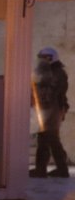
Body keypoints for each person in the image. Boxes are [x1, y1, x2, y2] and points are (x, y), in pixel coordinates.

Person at [31, 46, 70, 178]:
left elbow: (49, 93)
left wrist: (36, 87)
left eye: (44, 58)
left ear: (50, 58)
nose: (41, 61)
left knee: (51, 139)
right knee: (45, 139)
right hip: (45, 110)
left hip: (53, 110)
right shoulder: (45, 72)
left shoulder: (58, 73)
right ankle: (42, 169)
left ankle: (61, 170)